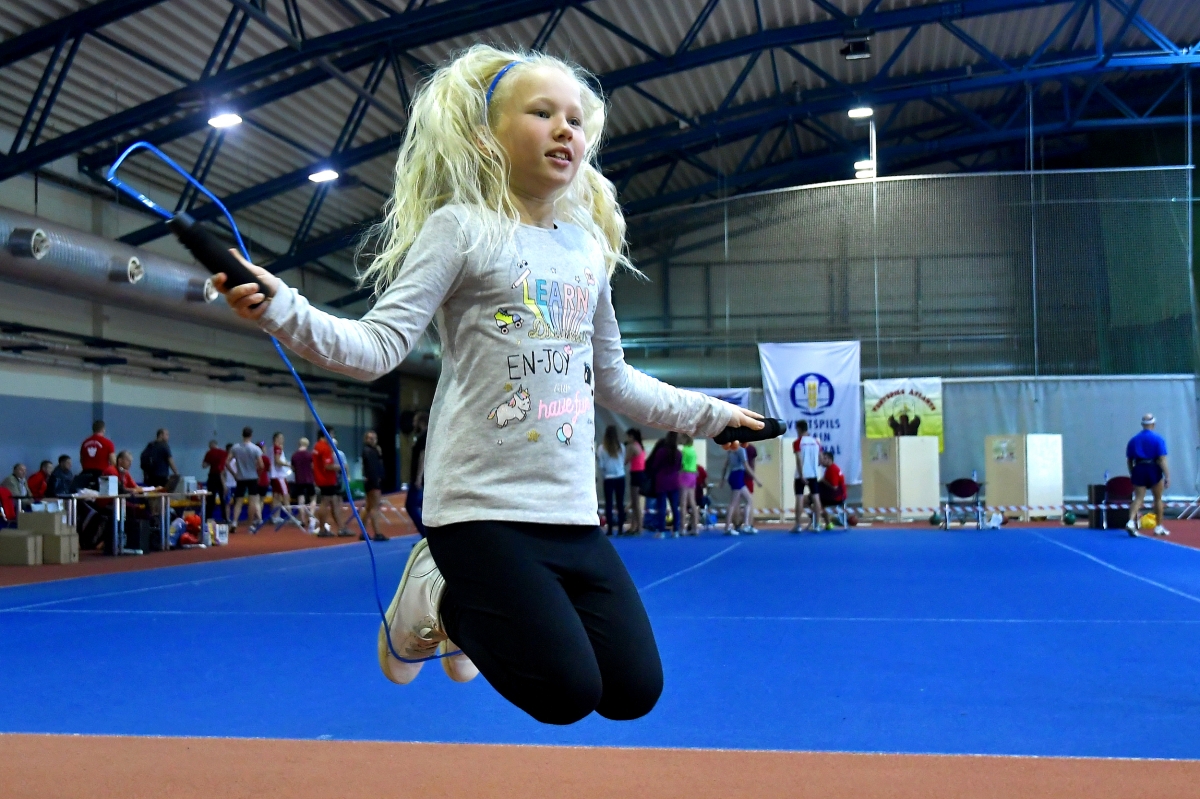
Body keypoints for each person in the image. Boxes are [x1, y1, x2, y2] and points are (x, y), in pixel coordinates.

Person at [214, 45, 762, 725]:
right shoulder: (462, 230)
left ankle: (464, 607)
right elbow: (378, 346)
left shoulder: (586, 249)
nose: (565, 130)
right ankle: (439, 594)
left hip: (569, 511)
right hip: (479, 509)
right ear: (486, 136)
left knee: (632, 690)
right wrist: (281, 307)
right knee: (564, 693)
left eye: (575, 119)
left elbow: (614, 380)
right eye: (542, 113)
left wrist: (714, 415)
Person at [1126, 413, 1170, 537]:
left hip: (1139, 467)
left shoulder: (1134, 440)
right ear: (1153, 424)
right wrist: (1167, 475)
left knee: (1138, 498)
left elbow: (1129, 460)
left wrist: (1133, 472)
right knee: (1158, 498)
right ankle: (1158, 526)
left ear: (1142, 424)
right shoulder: (1158, 439)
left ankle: (1130, 521)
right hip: (1153, 468)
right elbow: (1162, 459)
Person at [229, 427, 265, 532]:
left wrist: (234, 474)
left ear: (242, 435)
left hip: (240, 478)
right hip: (252, 477)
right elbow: (261, 465)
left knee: (238, 502)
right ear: (251, 435)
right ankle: (250, 524)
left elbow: (227, 462)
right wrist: (258, 474)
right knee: (252, 502)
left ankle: (234, 522)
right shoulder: (256, 449)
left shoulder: (235, 448)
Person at [312, 428, 346, 537]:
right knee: (325, 502)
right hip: (327, 480)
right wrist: (341, 467)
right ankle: (323, 529)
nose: (333, 436)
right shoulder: (324, 448)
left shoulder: (317, 446)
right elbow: (328, 466)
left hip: (323, 479)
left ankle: (341, 528)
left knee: (334, 502)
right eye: (331, 434)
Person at [648, 433, 682, 538]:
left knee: (662, 507)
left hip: (661, 481)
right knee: (675, 507)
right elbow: (679, 467)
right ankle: (676, 530)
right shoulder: (678, 453)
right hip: (674, 481)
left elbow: (655, 466)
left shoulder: (661, 452)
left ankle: (661, 531)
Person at [721, 445, 760, 535]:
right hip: (738, 476)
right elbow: (746, 466)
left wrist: (723, 479)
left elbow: (726, 466)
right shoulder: (740, 449)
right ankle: (727, 527)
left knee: (749, 500)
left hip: (735, 475)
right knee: (733, 503)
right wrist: (756, 479)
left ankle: (746, 525)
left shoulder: (731, 449)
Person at [793, 420, 822, 533]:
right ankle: (817, 525)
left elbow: (799, 460)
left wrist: (801, 475)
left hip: (801, 475)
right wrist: (814, 466)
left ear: (799, 429)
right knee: (816, 498)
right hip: (813, 474)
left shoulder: (797, 442)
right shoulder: (816, 442)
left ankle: (798, 525)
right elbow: (820, 459)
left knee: (799, 499)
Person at [597, 425, 626, 536]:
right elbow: (622, 461)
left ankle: (609, 529)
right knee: (620, 503)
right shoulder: (621, 447)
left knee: (609, 504)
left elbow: (601, 465)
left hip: (608, 478)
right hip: (620, 477)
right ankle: (620, 529)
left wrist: (604, 473)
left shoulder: (601, 448)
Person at [362, 430, 389, 542]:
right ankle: (377, 533)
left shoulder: (372, 451)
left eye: (375, 438)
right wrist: (376, 480)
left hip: (370, 481)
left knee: (368, 507)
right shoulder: (370, 451)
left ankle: (363, 532)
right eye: (370, 438)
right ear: (366, 439)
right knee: (375, 507)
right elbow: (373, 467)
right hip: (373, 482)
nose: (373, 440)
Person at [405, 412, 429, 538]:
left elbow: (423, 456)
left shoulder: (424, 436)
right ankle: (427, 536)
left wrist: (419, 477)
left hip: (421, 478)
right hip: (423, 478)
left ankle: (426, 535)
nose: (413, 424)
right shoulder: (424, 436)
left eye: (415, 421)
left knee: (410, 505)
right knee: (423, 506)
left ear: (421, 422)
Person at [291, 437, 317, 532]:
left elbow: (293, 468)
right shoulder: (310, 455)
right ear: (307, 445)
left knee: (301, 499)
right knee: (313, 498)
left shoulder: (294, 456)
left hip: (299, 480)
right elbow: (313, 467)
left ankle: (302, 519)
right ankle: (311, 516)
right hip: (309, 479)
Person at [817, 449, 847, 529]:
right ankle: (828, 523)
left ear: (829, 459)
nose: (822, 461)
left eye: (824, 458)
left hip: (837, 497)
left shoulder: (833, 470)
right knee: (816, 500)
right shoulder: (830, 469)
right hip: (836, 495)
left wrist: (823, 481)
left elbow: (834, 487)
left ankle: (817, 521)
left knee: (811, 500)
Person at [80, 420, 116, 486]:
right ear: (103, 429)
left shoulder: (84, 443)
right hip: (101, 474)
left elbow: (82, 460)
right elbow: (113, 462)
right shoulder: (108, 443)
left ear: (93, 429)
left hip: (86, 474)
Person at [268, 432, 293, 525]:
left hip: (274, 476)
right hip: (279, 476)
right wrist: (289, 464)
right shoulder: (277, 448)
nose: (283, 440)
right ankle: (290, 516)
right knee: (286, 496)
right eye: (281, 438)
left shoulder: (271, 449)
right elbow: (278, 461)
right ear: (277, 439)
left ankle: (275, 516)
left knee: (276, 497)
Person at [625, 428, 646, 535]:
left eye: (628, 436)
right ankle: (634, 525)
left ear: (632, 437)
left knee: (635, 502)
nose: (627, 439)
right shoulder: (639, 446)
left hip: (636, 474)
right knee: (634, 502)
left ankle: (639, 526)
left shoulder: (632, 447)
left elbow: (626, 460)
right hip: (639, 473)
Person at [679, 434, 699, 535]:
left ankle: (682, 527)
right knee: (692, 502)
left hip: (685, 475)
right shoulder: (693, 450)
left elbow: (681, 464)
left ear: (685, 439)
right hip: (693, 476)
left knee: (683, 503)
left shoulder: (684, 450)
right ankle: (695, 527)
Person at [202, 440, 228, 518]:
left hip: (212, 476)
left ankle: (208, 517)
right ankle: (225, 517)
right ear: (216, 444)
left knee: (211, 498)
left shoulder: (209, 453)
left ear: (210, 446)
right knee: (222, 498)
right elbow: (225, 465)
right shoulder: (224, 453)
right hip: (221, 476)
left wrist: (211, 462)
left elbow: (204, 465)